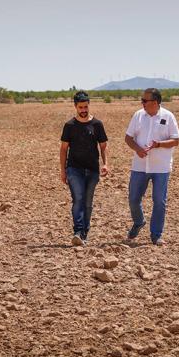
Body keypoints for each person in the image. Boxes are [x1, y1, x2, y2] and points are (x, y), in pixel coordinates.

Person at [124, 88, 179, 245]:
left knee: (159, 201)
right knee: (133, 199)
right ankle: (139, 221)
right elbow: (128, 138)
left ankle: (156, 235)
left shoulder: (168, 116)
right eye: (142, 100)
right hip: (139, 165)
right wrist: (137, 149)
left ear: (155, 102)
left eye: (144, 101)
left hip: (161, 167)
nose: (141, 103)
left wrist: (159, 144)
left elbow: (176, 140)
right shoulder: (138, 115)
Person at [60, 91, 109, 246]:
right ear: (75, 107)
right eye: (80, 107)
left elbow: (103, 146)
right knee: (78, 199)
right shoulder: (69, 126)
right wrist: (63, 170)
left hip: (92, 170)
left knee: (88, 202)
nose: (83, 110)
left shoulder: (97, 124)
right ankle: (78, 231)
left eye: (86, 106)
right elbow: (63, 149)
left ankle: (84, 233)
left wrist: (106, 163)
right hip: (74, 169)